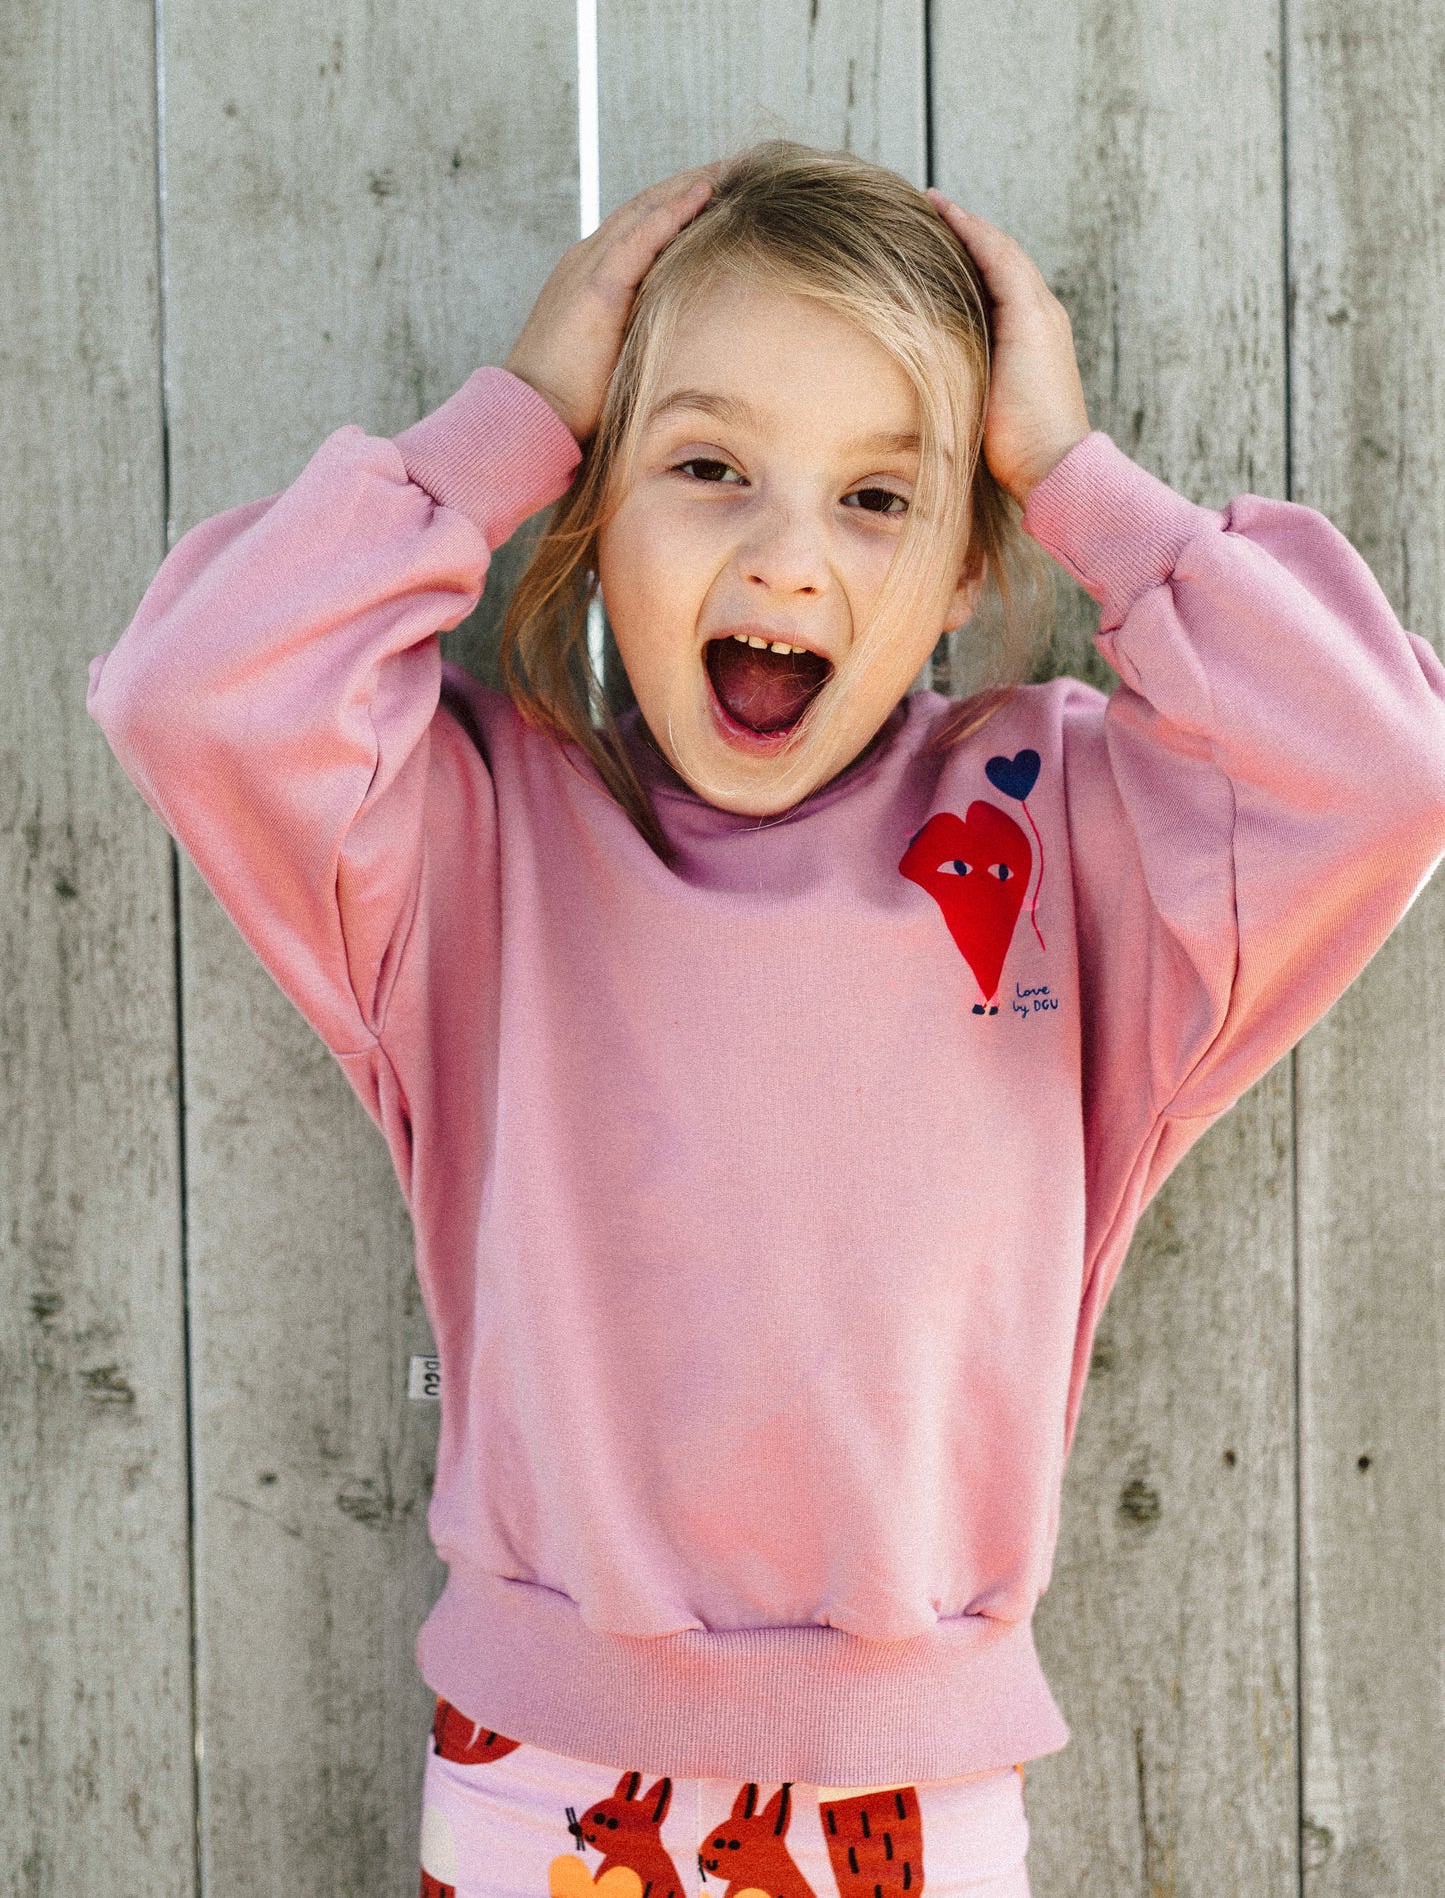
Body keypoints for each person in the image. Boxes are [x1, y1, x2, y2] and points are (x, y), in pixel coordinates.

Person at [87, 141, 1445, 1898]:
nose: (785, 559)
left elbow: (1383, 776)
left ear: (972, 558)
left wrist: (1078, 485)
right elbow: (195, 692)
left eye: (879, 498)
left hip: (922, 1784)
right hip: (542, 1775)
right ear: (592, 508)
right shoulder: (478, 840)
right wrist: (509, 419)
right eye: (708, 466)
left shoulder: (1062, 827)